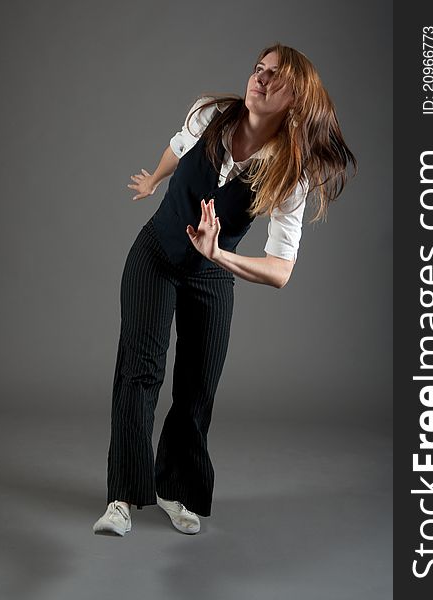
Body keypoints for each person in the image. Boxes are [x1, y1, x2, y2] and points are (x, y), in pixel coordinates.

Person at [92, 42, 357, 537]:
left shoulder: (290, 174)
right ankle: (123, 496)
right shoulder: (211, 112)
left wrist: (220, 255)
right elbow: (180, 143)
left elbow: (280, 271)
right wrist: (154, 178)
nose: (260, 78)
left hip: (212, 274)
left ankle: (176, 489)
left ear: (297, 100)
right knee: (140, 371)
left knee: (197, 385)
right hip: (156, 255)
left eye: (275, 77)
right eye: (259, 69)